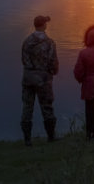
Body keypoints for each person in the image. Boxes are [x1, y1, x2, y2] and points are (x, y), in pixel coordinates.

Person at [20, 14, 59, 146]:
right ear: (44, 25)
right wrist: (53, 72)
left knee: (27, 108)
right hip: (43, 79)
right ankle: (51, 136)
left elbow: (24, 61)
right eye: (46, 23)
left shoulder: (26, 41)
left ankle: (27, 140)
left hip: (28, 78)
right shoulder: (50, 43)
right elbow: (53, 63)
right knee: (47, 107)